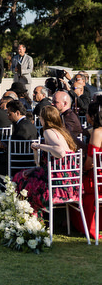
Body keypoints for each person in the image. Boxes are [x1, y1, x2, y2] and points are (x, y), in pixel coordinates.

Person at [13, 105, 77, 213]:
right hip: (71, 186)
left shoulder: (48, 132)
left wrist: (39, 146)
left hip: (57, 187)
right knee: (27, 174)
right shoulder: (62, 132)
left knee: (20, 178)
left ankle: (30, 219)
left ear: (44, 119)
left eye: (40, 117)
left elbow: (60, 152)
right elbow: (40, 164)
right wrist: (34, 167)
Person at [0, 99, 38, 188]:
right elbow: (19, 147)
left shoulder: (21, 127)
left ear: (17, 113)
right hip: (30, 163)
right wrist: (6, 146)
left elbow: (16, 152)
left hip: (17, 165)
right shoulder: (29, 124)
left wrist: (0, 160)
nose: (8, 117)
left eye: (9, 114)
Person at [72, 100, 102, 239]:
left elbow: (90, 162)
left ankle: (85, 226)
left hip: (97, 180)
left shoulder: (97, 132)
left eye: (88, 114)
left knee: (77, 188)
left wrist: (81, 170)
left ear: (93, 116)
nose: (86, 117)